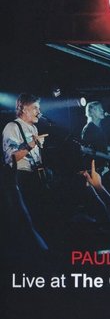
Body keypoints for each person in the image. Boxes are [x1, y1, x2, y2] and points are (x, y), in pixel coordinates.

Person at [2, 93, 49, 224]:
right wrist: (32, 144)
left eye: (39, 108)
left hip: (34, 176)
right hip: (21, 177)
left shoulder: (34, 128)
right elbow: (10, 157)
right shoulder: (12, 127)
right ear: (24, 109)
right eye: (35, 108)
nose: (39, 112)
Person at [81, 101, 110, 175]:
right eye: (99, 108)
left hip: (99, 167)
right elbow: (85, 149)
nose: (102, 110)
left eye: (102, 108)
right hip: (91, 169)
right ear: (91, 112)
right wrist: (106, 156)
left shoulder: (98, 127)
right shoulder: (89, 128)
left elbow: (99, 146)